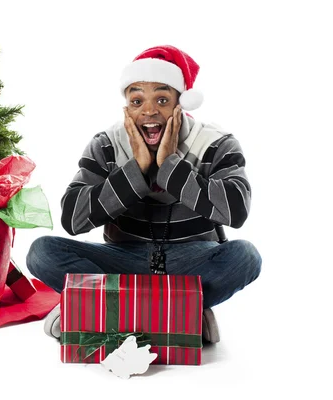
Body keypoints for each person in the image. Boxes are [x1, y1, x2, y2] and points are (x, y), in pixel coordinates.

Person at [26, 45, 262, 344]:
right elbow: (73, 220)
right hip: (123, 259)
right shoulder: (106, 144)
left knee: (245, 257)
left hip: (190, 259)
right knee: (42, 251)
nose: (149, 111)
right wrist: (135, 169)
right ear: (127, 107)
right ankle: (182, 313)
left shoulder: (217, 143)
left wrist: (169, 166)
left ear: (180, 103)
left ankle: (95, 312)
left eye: (162, 99)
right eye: (137, 100)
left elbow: (236, 211)